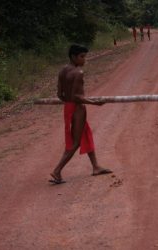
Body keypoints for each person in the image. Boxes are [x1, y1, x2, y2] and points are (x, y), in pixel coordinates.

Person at [50, 44, 112, 184]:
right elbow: (77, 96)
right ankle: (57, 170)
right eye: (82, 57)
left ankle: (95, 166)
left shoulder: (63, 71)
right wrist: (94, 102)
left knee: (86, 133)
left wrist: (70, 102)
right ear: (73, 57)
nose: (84, 60)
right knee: (76, 142)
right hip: (78, 109)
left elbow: (60, 95)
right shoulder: (78, 73)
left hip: (68, 108)